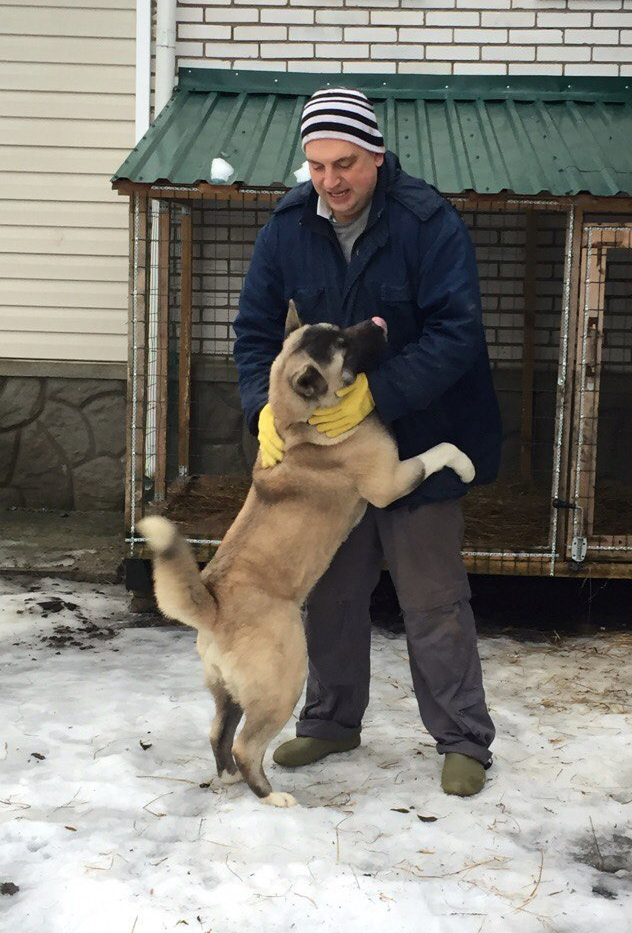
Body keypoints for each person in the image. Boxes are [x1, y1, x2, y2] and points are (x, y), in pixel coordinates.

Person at [232, 88, 501, 796]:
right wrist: (264, 408)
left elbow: (457, 334)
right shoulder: (287, 226)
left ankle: (461, 739)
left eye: (345, 163)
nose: (330, 181)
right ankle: (329, 721)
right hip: (323, 459)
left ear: (376, 156)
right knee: (329, 591)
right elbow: (254, 330)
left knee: (432, 598)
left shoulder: (426, 223)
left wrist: (375, 393)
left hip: (419, 433)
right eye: (317, 165)